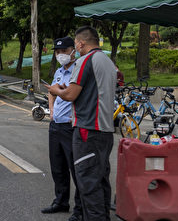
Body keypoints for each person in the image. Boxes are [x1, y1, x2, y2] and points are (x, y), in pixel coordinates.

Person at [45, 26, 116, 221]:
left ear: (80, 43)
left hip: (87, 129)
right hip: (105, 130)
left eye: (75, 43)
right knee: (100, 180)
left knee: (88, 183)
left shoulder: (86, 61)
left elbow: (70, 94)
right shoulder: (108, 62)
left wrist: (56, 90)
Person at [42, 36, 83, 220]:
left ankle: (80, 209)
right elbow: (52, 91)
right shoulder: (59, 71)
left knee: (76, 168)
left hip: (70, 126)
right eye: (58, 52)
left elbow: (72, 94)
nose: (61, 55)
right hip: (55, 125)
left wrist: (60, 92)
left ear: (73, 51)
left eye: (64, 51)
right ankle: (61, 201)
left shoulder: (78, 71)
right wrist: (51, 110)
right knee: (57, 166)